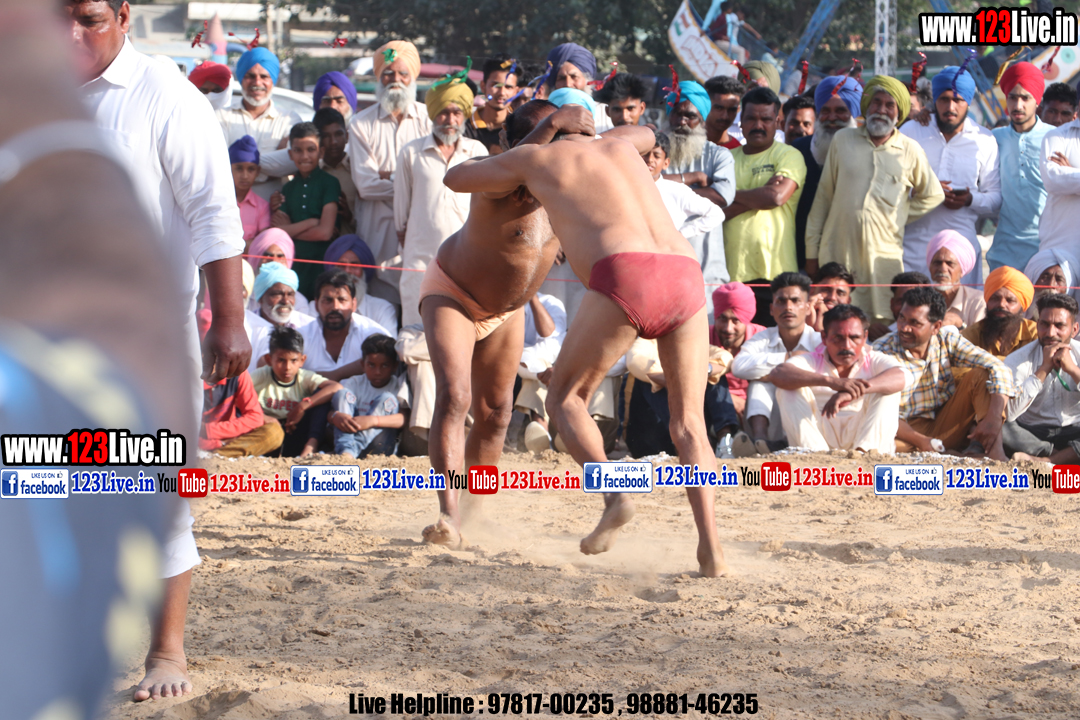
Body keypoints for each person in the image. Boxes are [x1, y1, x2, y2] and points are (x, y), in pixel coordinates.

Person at [442, 101, 727, 576]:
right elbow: (648, 132)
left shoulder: (535, 157)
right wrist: (597, 131)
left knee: (565, 400)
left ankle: (615, 495)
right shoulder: (620, 147)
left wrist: (549, 128)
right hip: (684, 272)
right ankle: (711, 549)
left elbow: (456, 177)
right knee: (690, 425)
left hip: (625, 272)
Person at [71, 0, 250, 701]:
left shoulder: (167, 96)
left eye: (87, 16)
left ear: (122, 15)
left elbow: (213, 212)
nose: (71, 33)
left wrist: (228, 318)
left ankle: (167, 652)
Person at [806, 74, 945, 322]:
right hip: (837, 250)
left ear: (898, 113)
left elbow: (933, 194)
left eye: (889, 105)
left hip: (882, 257)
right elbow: (822, 200)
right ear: (866, 106)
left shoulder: (910, 149)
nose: (881, 110)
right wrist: (811, 253)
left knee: (883, 319)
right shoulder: (843, 140)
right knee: (835, 319)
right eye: (876, 103)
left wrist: (898, 214)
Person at [873, 286, 1013, 460]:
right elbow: (881, 413)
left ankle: (995, 453)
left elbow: (998, 367)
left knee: (981, 376)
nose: (904, 328)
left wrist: (994, 419)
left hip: (944, 425)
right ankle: (943, 453)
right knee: (880, 444)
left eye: (915, 323)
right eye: (902, 318)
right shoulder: (882, 351)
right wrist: (921, 441)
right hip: (902, 432)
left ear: (936, 327)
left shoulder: (946, 340)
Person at [395, 76, 487, 328]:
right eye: (444, 112)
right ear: (433, 114)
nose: (450, 120)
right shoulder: (411, 152)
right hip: (420, 258)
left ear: (464, 115)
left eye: (456, 113)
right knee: (417, 328)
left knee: (462, 328)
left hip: (467, 258)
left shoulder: (477, 152)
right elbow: (400, 215)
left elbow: (485, 206)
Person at [348, 40, 430, 306]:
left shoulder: (430, 120)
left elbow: (437, 179)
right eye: (388, 73)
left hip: (421, 236)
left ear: (412, 77)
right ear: (378, 77)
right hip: (377, 239)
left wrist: (388, 176)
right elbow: (366, 186)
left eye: (403, 73)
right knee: (380, 311)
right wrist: (414, 181)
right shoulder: (361, 124)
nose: (396, 80)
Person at [901, 66, 1000, 284]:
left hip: (961, 252)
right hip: (913, 248)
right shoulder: (910, 132)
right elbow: (890, 187)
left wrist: (970, 199)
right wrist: (925, 191)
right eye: (944, 99)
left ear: (968, 102)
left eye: (958, 100)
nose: (950, 107)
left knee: (959, 306)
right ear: (935, 100)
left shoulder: (984, 140)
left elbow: (995, 198)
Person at [772, 304, 906, 453]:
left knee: (889, 391)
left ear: (865, 337)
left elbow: (901, 376)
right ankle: (814, 456)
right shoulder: (812, 360)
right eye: (838, 338)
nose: (846, 346)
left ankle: (866, 455)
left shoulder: (874, 359)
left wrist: (849, 392)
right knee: (787, 389)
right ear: (824, 337)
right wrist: (832, 382)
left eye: (854, 338)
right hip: (818, 437)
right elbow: (778, 373)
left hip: (861, 433)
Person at [662, 80, 737, 313]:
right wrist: (692, 178)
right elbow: (644, 186)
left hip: (706, 270)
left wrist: (666, 189)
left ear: (702, 119)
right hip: (660, 267)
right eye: (677, 114)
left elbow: (722, 196)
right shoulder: (654, 155)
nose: (682, 122)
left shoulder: (719, 156)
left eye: (690, 116)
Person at [730, 272, 821, 455]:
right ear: (771, 309)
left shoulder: (818, 341)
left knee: (789, 383)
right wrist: (787, 358)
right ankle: (759, 441)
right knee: (760, 383)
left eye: (795, 301)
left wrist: (781, 374)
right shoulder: (763, 338)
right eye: (781, 301)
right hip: (774, 424)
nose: (788, 307)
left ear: (807, 308)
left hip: (812, 423)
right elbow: (738, 367)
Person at [722, 86, 806, 283]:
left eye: (766, 119)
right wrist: (760, 195)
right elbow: (717, 212)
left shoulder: (789, 155)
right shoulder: (725, 159)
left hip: (777, 274)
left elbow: (776, 197)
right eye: (751, 118)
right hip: (731, 273)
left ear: (777, 122)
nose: (758, 125)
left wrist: (727, 194)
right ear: (741, 122)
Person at [792, 76, 861, 270]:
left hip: (850, 255)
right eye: (825, 111)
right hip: (802, 256)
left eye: (841, 111)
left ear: (854, 113)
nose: (832, 118)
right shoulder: (798, 149)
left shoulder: (866, 152)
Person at [988, 63, 1051, 272]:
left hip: (1047, 246)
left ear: (1037, 101)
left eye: (1025, 98)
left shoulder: (1054, 138)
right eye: (1013, 97)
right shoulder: (993, 139)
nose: (1018, 105)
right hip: (1005, 249)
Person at [1004, 293, 1080, 463]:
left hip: (1075, 429)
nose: (1050, 333)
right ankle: (1064, 456)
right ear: (1037, 325)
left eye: (1059, 326)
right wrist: (1043, 369)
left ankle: (1045, 461)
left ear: (1074, 330)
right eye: (1045, 324)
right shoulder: (1018, 359)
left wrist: (1074, 371)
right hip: (1031, 432)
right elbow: (1010, 413)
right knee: (1000, 424)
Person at [216, 46, 300, 199]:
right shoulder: (221, 116)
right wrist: (273, 163)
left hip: (273, 205)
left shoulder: (288, 120)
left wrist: (237, 160)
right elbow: (216, 161)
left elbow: (294, 161)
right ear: (241, 79)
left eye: (264, 76)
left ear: (273, 81)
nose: (257, 82)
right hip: (230, 202)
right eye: (250, 76)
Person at [271, 122, 340, 297]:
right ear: (290, 154)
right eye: (298, 150)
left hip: (322, 263)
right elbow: (278, 232)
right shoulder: (288, 188)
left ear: (321, 152)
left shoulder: (329, 183)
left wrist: (291, 230)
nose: (305, 156)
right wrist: (311, 223)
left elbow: (325, 233)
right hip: (294, 265)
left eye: (311, 150)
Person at [251, 326, 342, 456]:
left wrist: (303, 406)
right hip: (266, 431)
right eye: (281, 360)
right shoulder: (262, 375)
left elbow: (336, 387)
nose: (287, 367)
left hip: (296, 433)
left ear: (302, 360)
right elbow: (236, 391)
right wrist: (263, 417)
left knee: (321, 396)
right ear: (269, 360)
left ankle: (310, 447)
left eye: (293, 361)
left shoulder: (304, 377)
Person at [300, 270, 392, 381]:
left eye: (342, 300)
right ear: (316, 305)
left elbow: (389, 358)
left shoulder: (371, 332)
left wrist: (336, 374)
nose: (335, 307)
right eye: (328, 300)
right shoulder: (302, 336)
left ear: (354, 304)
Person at [330, 333, 408, 458]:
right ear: (363, 365)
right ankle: (347, 451)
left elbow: (403, 419)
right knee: (342, 394)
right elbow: (332, 412)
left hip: (380, 446)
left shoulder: (398, 386)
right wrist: (335, 416)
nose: (377, 372)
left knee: (387, 399)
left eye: (384, 365)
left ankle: (349, 452)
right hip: (350, 438)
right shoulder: (355, 382)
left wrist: (373, 421)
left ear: (394, 366)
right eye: (371, 365)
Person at [643, 131, 724, 240]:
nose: (649, 160)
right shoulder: (625, 188)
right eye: (645, 154)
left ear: (666, 163)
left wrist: (681, 235)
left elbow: (716, 214)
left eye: (656, 156)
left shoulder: (677, 191)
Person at [514, 291, 567, 452]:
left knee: (543, 367)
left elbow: (551, 347)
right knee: (540, 368)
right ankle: (547, 435)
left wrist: (532, 298)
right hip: (504, 372)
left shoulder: (551, 303)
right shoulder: (495, 302)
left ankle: (542, 432)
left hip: (536, 374)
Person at [710, 282, 765, 427]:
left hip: (759, 409)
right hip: (711, 406)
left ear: (747, 319)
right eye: (722, 319)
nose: (728, 328)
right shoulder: (702, 337)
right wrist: (730, 399)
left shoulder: (763, 339)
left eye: (736, 321)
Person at [324, 234, 399, 332]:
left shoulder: (382, 309)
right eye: (341, 266)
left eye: (354, 266)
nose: (348, 271)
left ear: (364, 271)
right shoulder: (317, 307)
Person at [200, 368, 283, 457]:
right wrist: (216, 443)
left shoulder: (237, 371)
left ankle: (216, 456)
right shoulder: (189, 379)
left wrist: (208, 431)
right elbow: (190, 432)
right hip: (199, 442)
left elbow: (255, 417)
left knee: (274, 432)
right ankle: (218, 456)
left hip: (229, 438)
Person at [961, 266, 1037, 358]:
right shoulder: (971, 335)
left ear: (1022, 307)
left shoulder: (1035, 334)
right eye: (995, 298)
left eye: (1010, 300)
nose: (1001, 304)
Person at [544, 42, 612, 132]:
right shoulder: (543, 115)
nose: (568, 84)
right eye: (561, 78)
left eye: (574, 77)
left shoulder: (606, 115)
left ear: (587, 80)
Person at [926, 229, 985, 329]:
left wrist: (961, 325)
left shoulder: (977, 302)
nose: (942, 269)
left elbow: (981, 338)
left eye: (950, 264)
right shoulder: (919, 301)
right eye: (937, 263)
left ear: (962, 270)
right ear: (930, 266)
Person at [314, 107, 357, 235]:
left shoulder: (358, 171)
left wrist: (349, 216)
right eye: (326, 136)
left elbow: (371, 219)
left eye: (338, 134)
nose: (333, 142)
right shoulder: (312, 173)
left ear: (347, 136)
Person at [465, 53, 519, 153]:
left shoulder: (520, 128)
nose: (502, 93)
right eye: (495, 85)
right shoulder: (464, 128)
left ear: (516, 91)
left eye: (508, 87)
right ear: (483, 86)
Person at [229, 135, 270, 245]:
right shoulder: (218, 202)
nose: (245, 176)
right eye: (239, 168)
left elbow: (262, 244)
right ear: (228, 169)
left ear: (258, 171)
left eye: (251, 169)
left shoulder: (262, 207)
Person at [868, 270, 931, 341]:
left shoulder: (938, 336)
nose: (907, 308)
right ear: (892, 304)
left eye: (914, 302)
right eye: (901, 301)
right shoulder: (878, 338)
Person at [1023, 247, 1080, 319]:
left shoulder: (1076, 325)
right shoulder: (1015, 323)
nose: (1050, 285)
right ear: (1033, 280)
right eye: (1045, 277)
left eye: (1059, 279)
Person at [807, 261, 854, 331]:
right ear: (812, 291)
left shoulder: (854, 329)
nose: (832, 297)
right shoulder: (793, 319)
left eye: (840, 293)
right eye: (826, 290)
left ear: (848, 301)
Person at [703, 75, 744, 150]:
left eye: (732, 110)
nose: (725, 116)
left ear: (738, 110)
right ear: (705, 105)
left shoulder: (737, 150)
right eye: (719, 108)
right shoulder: (686, 143)